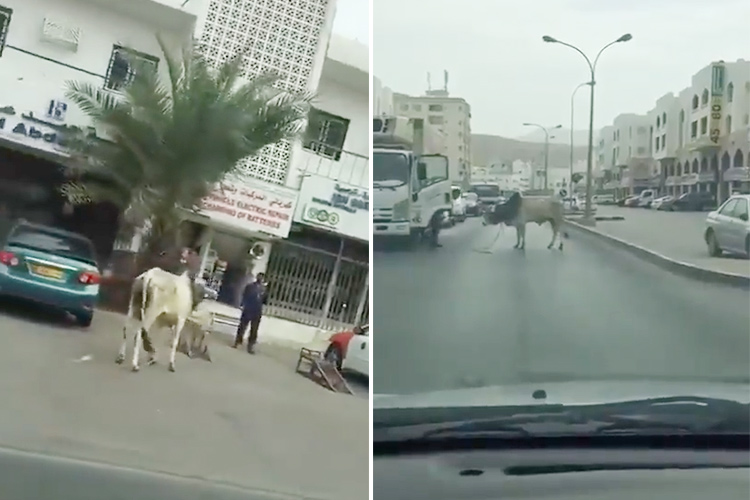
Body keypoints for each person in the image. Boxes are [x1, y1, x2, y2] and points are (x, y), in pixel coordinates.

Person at [233, 272, 268, 354]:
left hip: (257, 311)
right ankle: (238, 342)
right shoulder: (250, 287)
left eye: (262, 278)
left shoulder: (264, 289)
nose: (260, 279)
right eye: (259, 277)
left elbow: (265, 301)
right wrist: (242, 305)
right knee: (242, 327)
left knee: (254, 329)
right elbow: (244, 296)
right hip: (248, 309)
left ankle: (250, 345)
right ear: (257, 277)